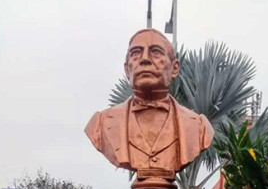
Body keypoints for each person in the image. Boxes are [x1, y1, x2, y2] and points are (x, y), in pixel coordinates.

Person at [85, 29, 213, 180]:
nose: (145, 59)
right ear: (127, 69)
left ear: (174, 68)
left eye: (156, 52)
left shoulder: (199, 127)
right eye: (136, 53)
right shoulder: (100, 124)